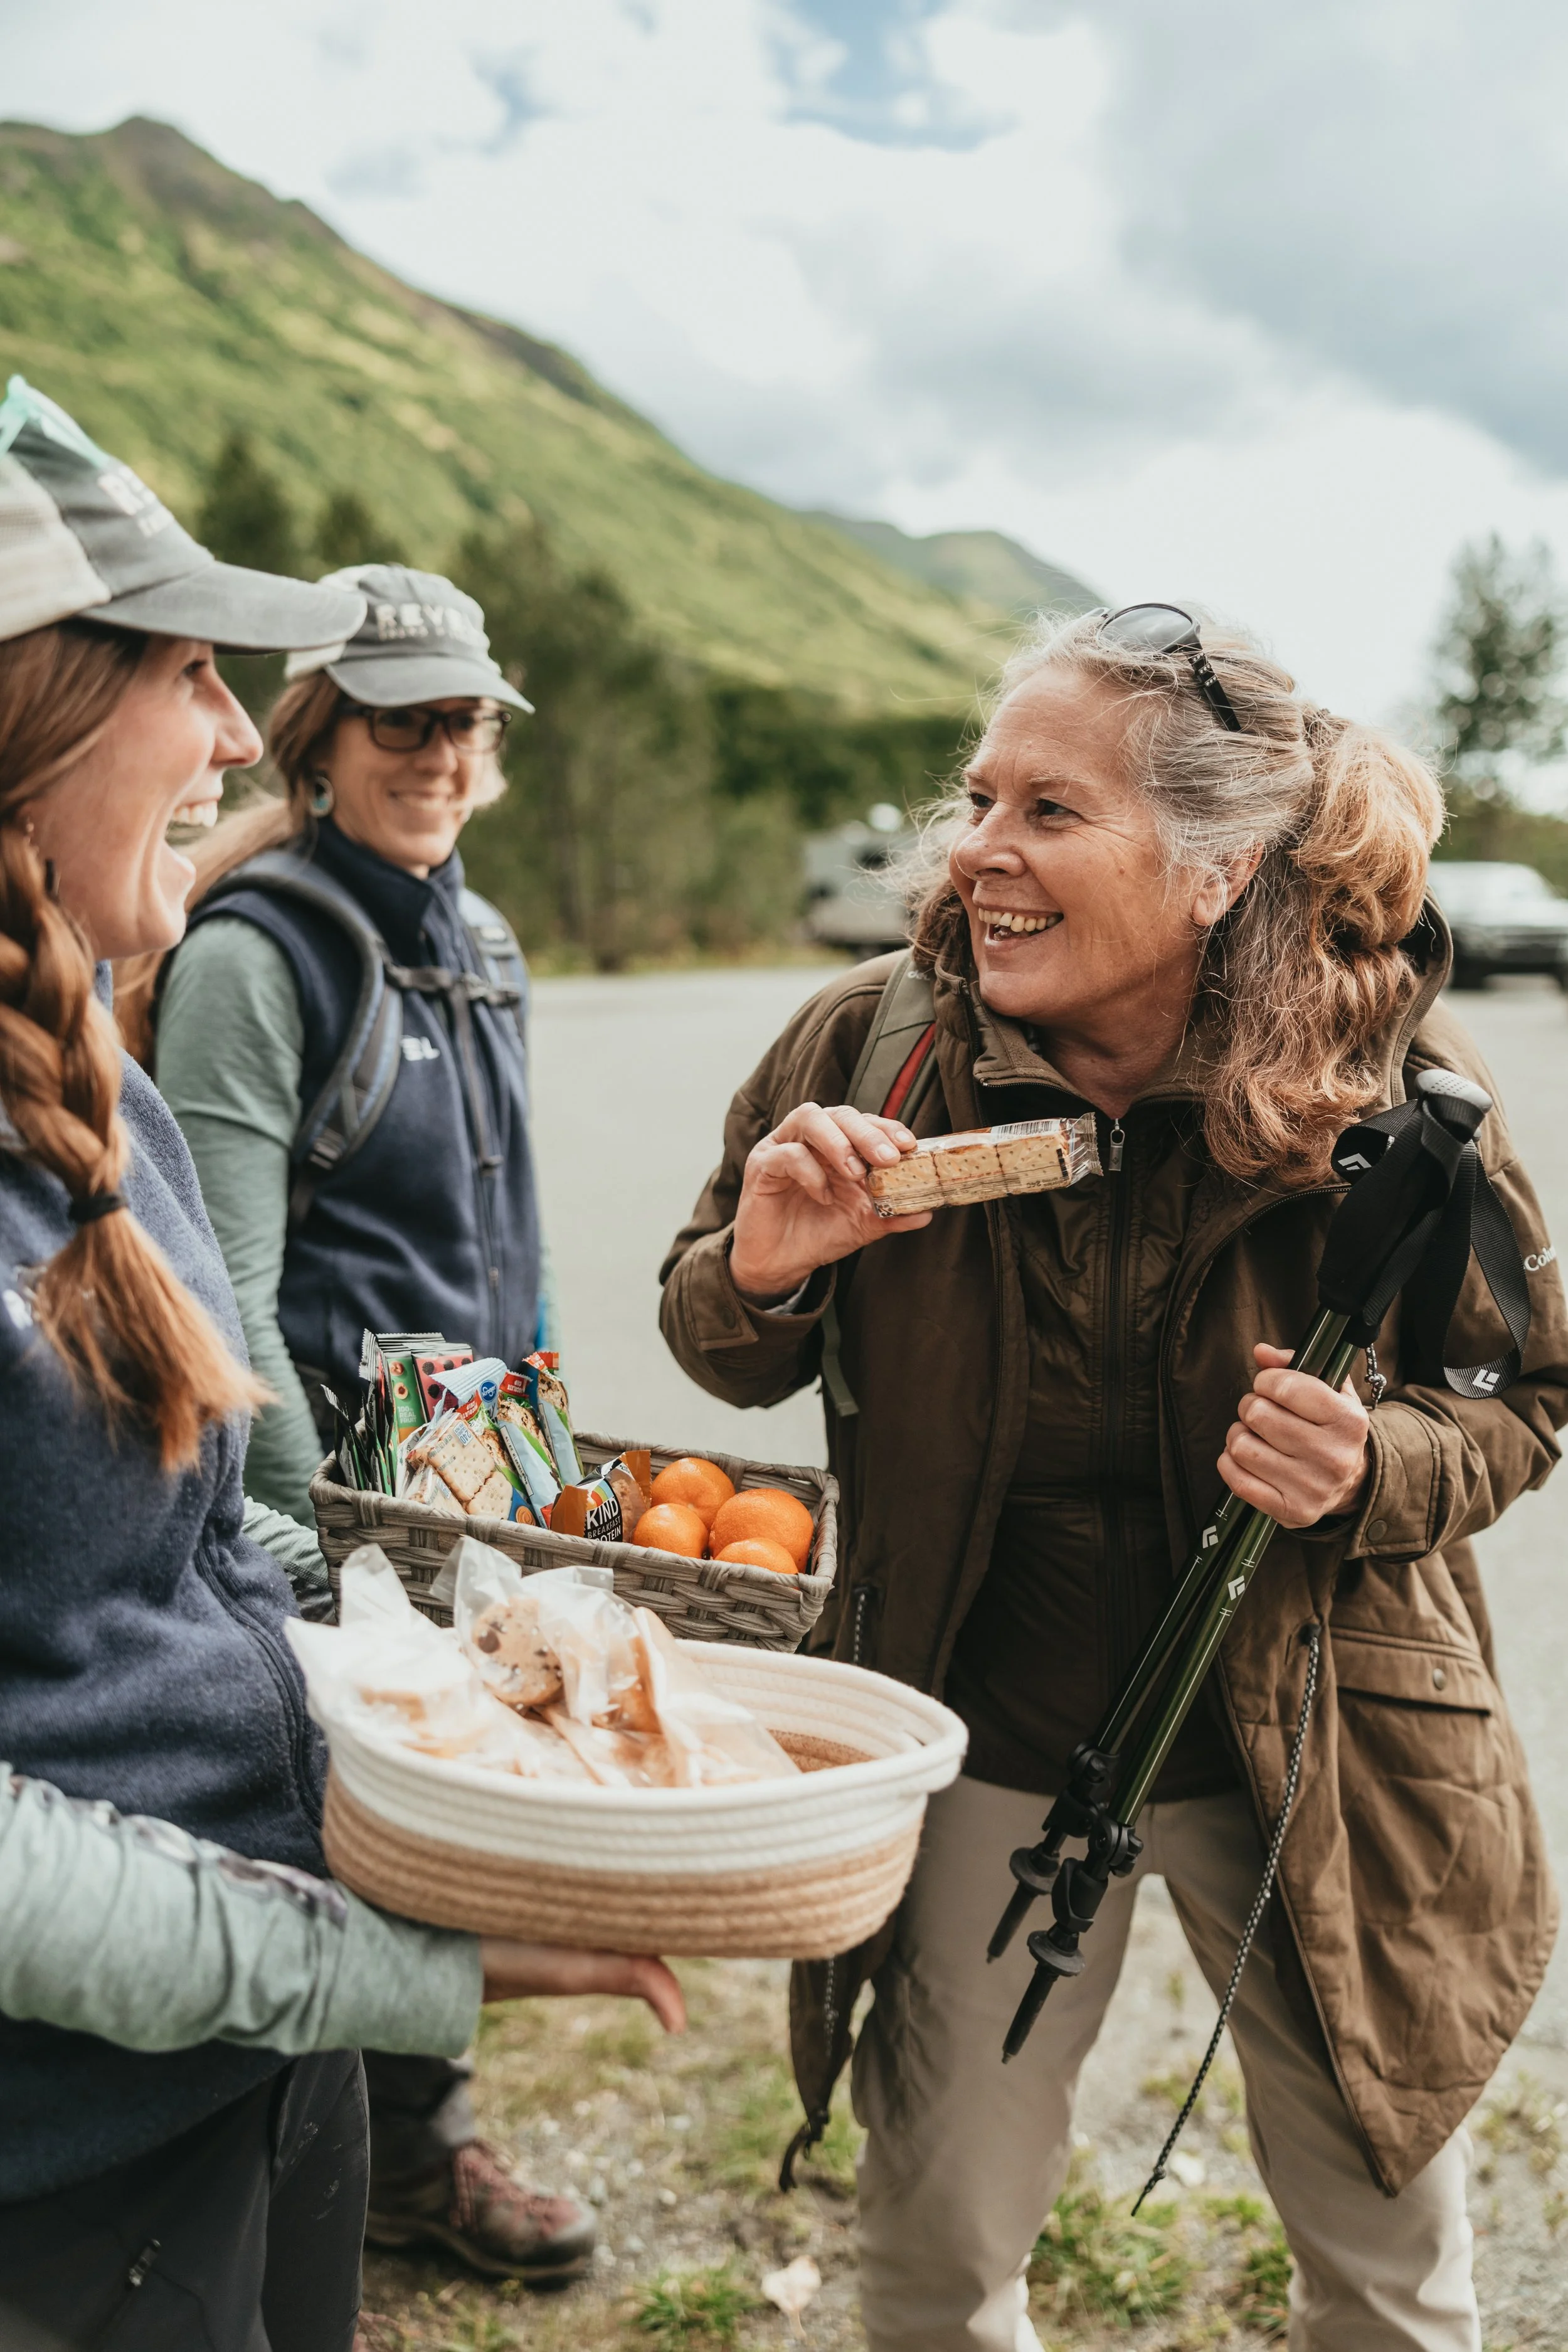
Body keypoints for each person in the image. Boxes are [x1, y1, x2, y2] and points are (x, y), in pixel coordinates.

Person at [659, 603, 1568, 2352]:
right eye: (977, 796)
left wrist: (1367, 1463)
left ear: (1219, 867)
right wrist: (766, 1264)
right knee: (930, 2259)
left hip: (1314, 1741)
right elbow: (721, 1335)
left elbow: (1521, 1391)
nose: (978, 849)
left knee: (1389, 2288)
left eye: (1048, 811)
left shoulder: (1399, 1095)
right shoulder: (872, 1051)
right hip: (977, 1731)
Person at [0, 378, 678, 2351]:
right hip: (54, 2157)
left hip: (224, 2078)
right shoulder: (255, 957)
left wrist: (453, 1719)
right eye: (184, 670)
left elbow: (193, 1572)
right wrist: (415, 1956)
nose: (232, 732)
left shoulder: (92, 1061)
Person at [146, 566, 580, 2278]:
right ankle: (375, 2153)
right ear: (318, 738)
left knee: (461, 1791)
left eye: (463, 715)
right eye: (401, 715)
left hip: (479, 1441)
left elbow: (513, 1227)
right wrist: (305, 1537)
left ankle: (404, 2135)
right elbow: (219, 1280)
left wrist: (544, 1451)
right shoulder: (254, 957)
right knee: (348, 1801)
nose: (438, 748)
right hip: (330, 1468)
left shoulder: (482, 944)